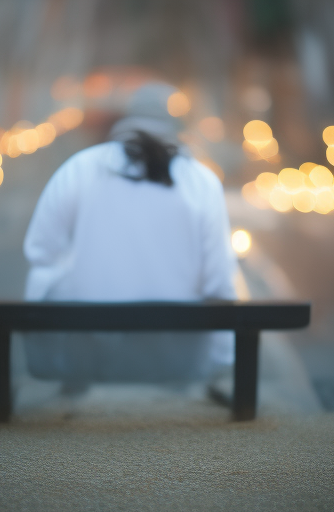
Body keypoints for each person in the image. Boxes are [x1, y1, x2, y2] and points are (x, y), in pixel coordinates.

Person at [23, 82, 238, 389]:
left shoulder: (79, 168)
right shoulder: (201, 181)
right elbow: (220, 283)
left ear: (126, 121)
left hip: (91, 356)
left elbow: (41, 253)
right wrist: (221, 359)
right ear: (174, 127)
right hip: (178, 362)